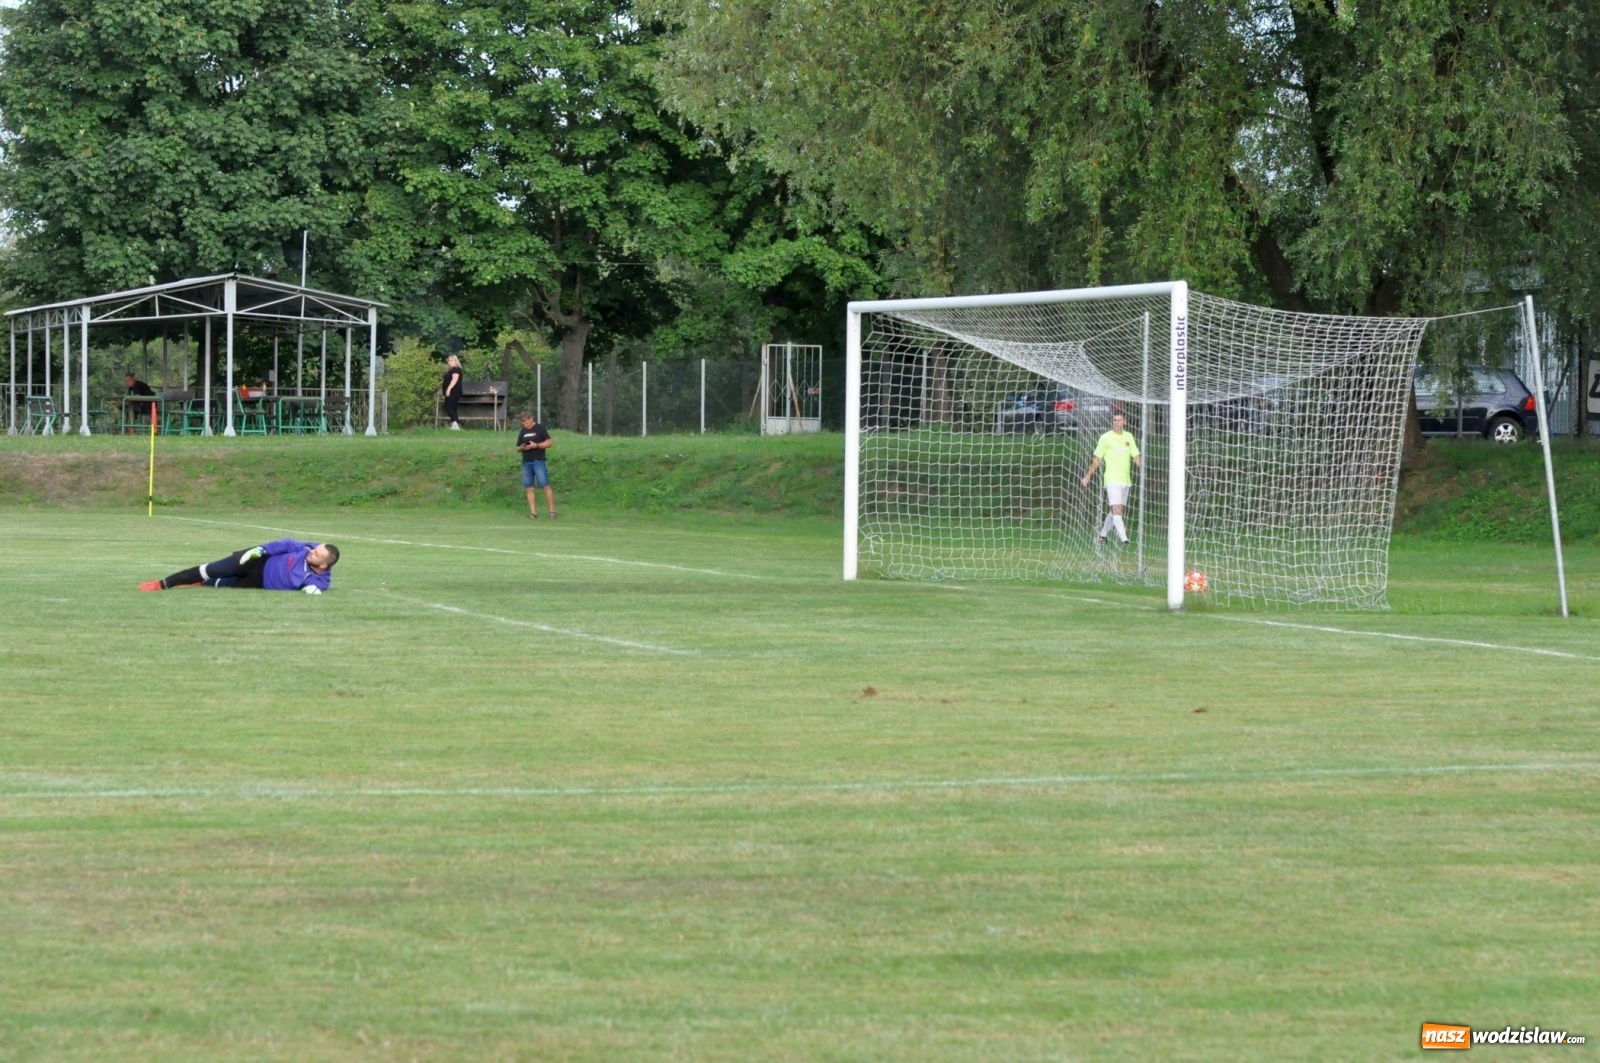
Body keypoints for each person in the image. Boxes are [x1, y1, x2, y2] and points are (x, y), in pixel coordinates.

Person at [138, 540, 339, 593]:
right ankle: (162, 584)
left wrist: (313, 589)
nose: (311, 551)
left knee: (217, 584)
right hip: (255, 560)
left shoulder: (320, 579)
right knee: (212, 569)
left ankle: (199, 584)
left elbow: (316, 585)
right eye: (314, 549)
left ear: (323, 564)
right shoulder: (306, 547)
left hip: (257, 583)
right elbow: (285, 543)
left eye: (316, 554)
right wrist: (261, 549)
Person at [1080, 412, 1141, 545]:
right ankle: (1124, 539)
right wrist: (1088, 476)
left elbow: (1135, 455)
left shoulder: (1129, 437)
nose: (1117, 422)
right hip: (1112, 480)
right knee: (1117, 512)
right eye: (1115, 420)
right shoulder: (1105, 438)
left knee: (1116, 511)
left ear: (1124, 422)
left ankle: (1102, 535)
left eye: (1119, 420)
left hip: (1126, 481)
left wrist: (1140, 463)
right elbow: (1097, 459)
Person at [515, 409, 556, 519]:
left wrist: (536, 445)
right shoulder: (522, 432)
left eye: (526, 422)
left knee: (545, 485)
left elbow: (549, 443)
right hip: (526, 462)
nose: (525, 424)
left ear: (531, 419)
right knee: (529, 487)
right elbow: (517, 447)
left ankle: (552, 511)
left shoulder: (540, 428)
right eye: (523, 423)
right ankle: (533, 512)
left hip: (538, 461)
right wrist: (522, 448)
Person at [440, 354, 463, 430]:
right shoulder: (451, 370)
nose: (450, 362)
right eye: (449, 360)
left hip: (454, 391)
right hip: (453, 391)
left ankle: (454, 423)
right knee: (453, 408)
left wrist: (449, 389)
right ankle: (455, 424)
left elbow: (455, 379)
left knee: (448, 406)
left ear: (456, 361)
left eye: (452, 360)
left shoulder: (456, 369)